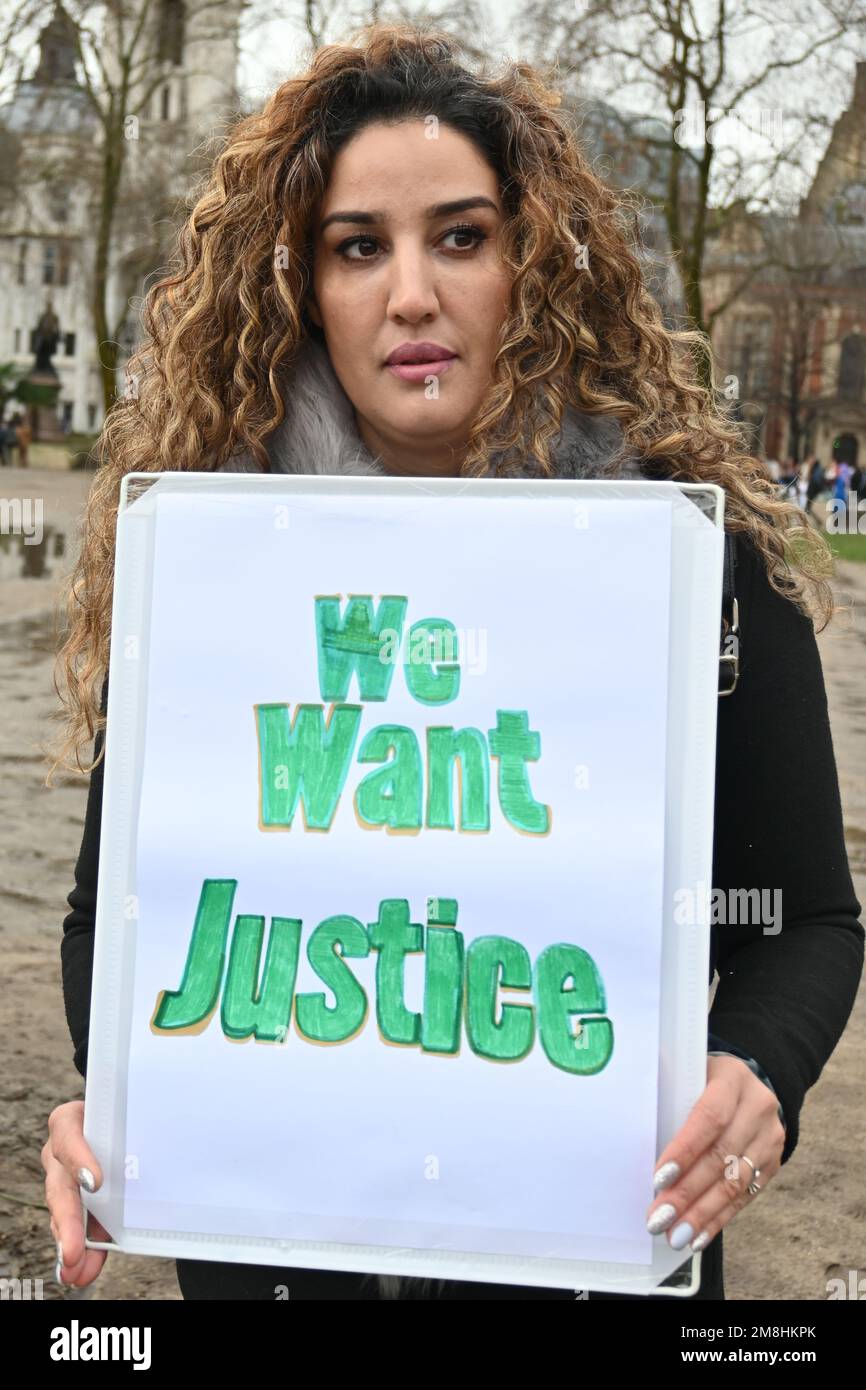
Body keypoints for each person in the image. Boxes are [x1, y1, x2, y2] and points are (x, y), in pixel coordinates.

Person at [42, 23, 863, 1302]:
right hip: (272, 1258)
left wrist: (753, 1070)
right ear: (302, 282)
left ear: (531, 260)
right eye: (357, 246)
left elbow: (802, 919)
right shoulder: (204, 566)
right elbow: (114, 920)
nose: (410, 293)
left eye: (461, 237)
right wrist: (127, 1091)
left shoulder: (684, 558)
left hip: (589, 1247)